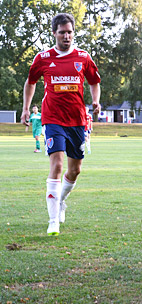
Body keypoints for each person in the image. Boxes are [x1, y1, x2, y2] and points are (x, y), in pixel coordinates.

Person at [21, 13, 101, 236]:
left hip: (77, 121)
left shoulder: (83, 57)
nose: (67, 36)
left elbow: (94, 82)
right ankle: (53, 220)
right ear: (54, 33)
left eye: (70, 32)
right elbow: (30, 82)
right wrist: (26, 108)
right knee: (56, 165)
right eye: (62, 32)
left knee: (74, 170)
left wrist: (95, 101)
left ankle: (61, 200)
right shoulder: (43, 58)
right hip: (52, 119)